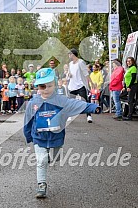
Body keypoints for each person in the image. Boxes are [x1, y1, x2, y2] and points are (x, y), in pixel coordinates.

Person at [23, 68, 101, 198]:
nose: (46, 89)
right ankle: (41, 185)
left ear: (54, 83)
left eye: (49, 85)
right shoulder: (33, 103)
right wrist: (28, 135)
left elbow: (77, 105)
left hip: (56, 138)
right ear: (37, 86)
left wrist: (93, 107)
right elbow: (28, 120)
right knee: (41, 160)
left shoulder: (61, 101)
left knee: (54, 158)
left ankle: (50, 157)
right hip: (39, 138)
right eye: (42, 86)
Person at [68, 48, 94, 123]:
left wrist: (91, 83)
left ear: (73, 54)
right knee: (71, 101)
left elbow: (86, 73)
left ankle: (89, 116)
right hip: (72, 86)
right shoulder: (70, 64)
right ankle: (70, 115)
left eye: (69, 54)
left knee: (85, 100)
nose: (69, 56)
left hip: (80, 85)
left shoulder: (81, 62)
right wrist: (69, 75)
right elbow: (69, 73)